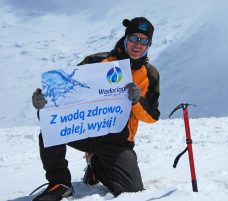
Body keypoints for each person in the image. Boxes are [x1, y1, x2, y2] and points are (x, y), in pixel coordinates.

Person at [31, 17, 160, 201]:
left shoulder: (150, 74)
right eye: (134, 38)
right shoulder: (97, 61)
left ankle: (97, 165)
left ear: (149, 45)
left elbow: (152, 117)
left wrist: (136, 101)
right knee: (51, 128)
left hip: (118, 141)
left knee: (132, 191)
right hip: (84, 132)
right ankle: (59, 183)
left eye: (144, 41)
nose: (138, 45)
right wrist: (42, 105)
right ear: (126, 37)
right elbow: (66, 96)